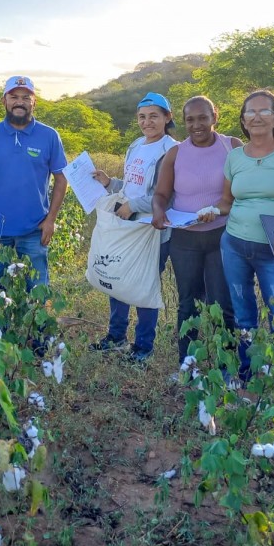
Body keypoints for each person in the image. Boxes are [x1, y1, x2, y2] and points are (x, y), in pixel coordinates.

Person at [200, 89, 274, 389]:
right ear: (242, 120)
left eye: (265, 111)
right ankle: (248, 376)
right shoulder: (235, 157)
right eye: (250, 112)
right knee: (242, 314)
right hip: (235, 244)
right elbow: (226, 201)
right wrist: (212, 210)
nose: (257, 117)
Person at [151, 96, 241, 363]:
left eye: (203, 117)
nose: (197, 125)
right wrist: (158, 211)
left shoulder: (232, 147)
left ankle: (226, 365)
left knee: (222, 302)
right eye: (190, 119)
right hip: (185, 239)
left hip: (222, 236)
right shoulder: (176, 153)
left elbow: (244, 189)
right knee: (188, 303)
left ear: (216, 116)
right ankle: (187, 364)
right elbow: (161, 194)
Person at [90, 92, 178, 362]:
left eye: (153, 116)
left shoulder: (172, 150)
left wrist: (135, 206)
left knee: (143, 286)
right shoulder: (136, 145)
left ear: (167, 117)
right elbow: (131, 186)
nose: (147, 122)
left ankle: (143, 347)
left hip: (151, 231)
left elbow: (170, 195)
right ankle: (116, 337)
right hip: (126, 227)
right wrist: (110, 183)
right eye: (142, 116)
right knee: (117, 279)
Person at [0, 76, 68, 291]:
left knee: (36, 291)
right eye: (14, 97)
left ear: (34, 103)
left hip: (34, 228)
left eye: (26, 97)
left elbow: (61, 178)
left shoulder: (49, 136)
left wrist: (50, 220)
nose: (20, 102)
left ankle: (36, 327)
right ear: (3, 101)